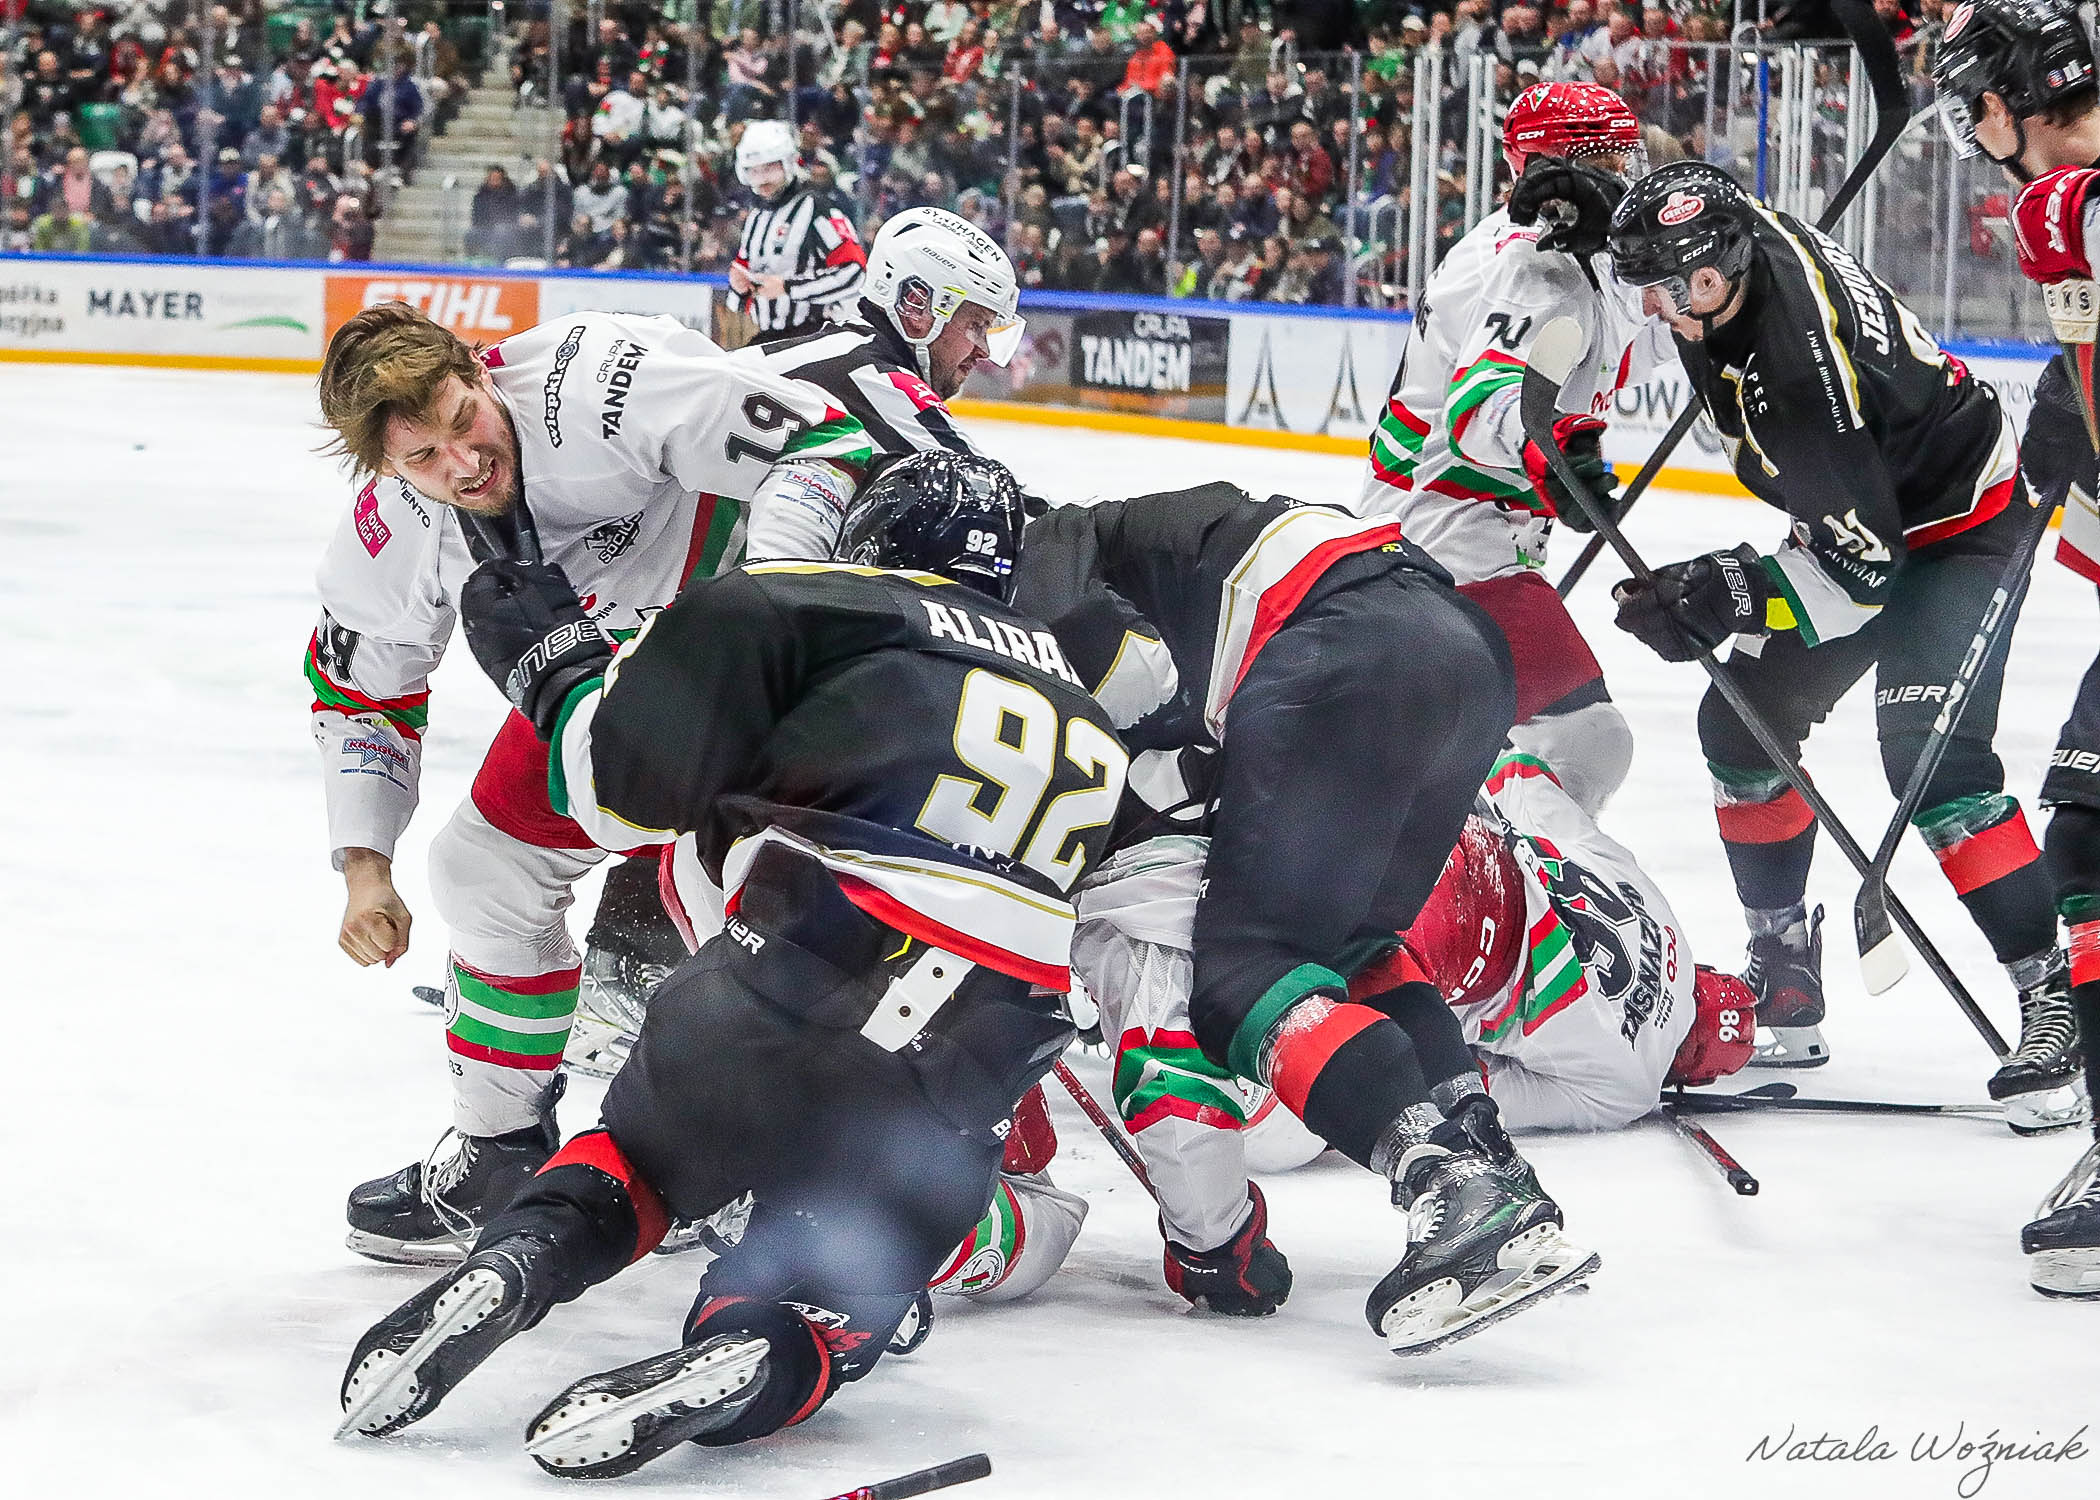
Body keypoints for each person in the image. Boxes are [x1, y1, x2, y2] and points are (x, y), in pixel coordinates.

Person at [337, 454, 1128, 1477]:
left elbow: (619, 790)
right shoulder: (1088, 711)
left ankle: (522, 1258)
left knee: (646, 1158)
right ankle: (751, 1348)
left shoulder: (809, 602)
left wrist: (557, 662)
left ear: (876, 539)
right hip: (970, 1058)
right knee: (833, 1296)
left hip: (795, 971)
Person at [307, 303, 875, 1265]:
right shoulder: (388, 532)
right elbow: (361, 690)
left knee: (728, 887)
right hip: (614, 680)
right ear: (387, 472)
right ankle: (499, 1153)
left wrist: (780, 596)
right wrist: (366, 866)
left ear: (482, 372)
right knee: (481, 872)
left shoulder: (605, 376)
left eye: (463, 419)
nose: (463, 463)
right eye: (425, 459)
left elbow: (825, 442)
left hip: (785, 650)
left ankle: (790, 1163)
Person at [1011, 477, 1600, 1353]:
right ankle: (1485, 1155)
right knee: (1355, 950)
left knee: (1246, 977)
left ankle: (1447, 1182)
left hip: (1340, 656)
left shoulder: (1047, 544)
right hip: (1459, 650)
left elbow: (1126, 693)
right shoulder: (1142, 534)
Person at [1602, 160, 2077, 1125]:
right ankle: (1783, 968)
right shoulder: (1734, 251)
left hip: (1960, 530)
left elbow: (1863, 582)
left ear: (1729, 265)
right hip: (1864, 513)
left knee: (1933, 766)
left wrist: (1724, 590)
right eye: (1656, 285)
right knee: (1741, 731)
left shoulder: (1794, 380)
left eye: (1685, 286)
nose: (1668, 308)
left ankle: (2056, 1003)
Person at [564, 205, 1026, 1059]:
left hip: (660, 589)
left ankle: (597, 962)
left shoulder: (828, 349)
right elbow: (982, 503)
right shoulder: (866, 370)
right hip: (690, 598)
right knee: (722, 770)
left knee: (673, 775)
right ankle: (621, 974)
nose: (983, 352)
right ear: (917, 305)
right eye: (972, 324)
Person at [1071, 743, 1754, 1313]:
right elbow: (1483, 1082)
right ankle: (1456, 1180)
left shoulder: (1653, 903)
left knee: (1285, 949)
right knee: (1290, 1112)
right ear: (1688, 1071)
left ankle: (1457, 1186)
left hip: (1442, 842)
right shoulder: (1633, 1085)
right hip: (1453, 944)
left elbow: (1516, 773)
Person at [1348, 83, 1662, 821]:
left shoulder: (1577, 251)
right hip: (1444, 550)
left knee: (1511, 749)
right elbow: (1480, 408)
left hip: (1463, 541)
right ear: (1551, 164)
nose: (1626, 169)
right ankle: (1518, 899)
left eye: (1627, 152)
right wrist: (1555, 457)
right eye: (1607, 157)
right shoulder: (1538, 262)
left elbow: (1634, 340)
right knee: (1585, 744)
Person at [1934, 0, 2100, 1292]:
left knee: (2090, 843)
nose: (1970, 129)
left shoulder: (2071, 208)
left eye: (1976, 101)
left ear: (2010, 99)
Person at [727, 118, 867, 339]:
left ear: (789, 163)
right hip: (768, 335)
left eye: (770, 168)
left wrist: (788, 287)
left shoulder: (816, 209)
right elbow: (747, 273)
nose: (762, 180)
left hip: (815, 335)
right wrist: (740, 287)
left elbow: (854, 271)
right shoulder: (756, 218)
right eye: (754, 171)